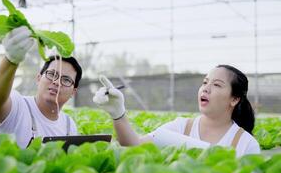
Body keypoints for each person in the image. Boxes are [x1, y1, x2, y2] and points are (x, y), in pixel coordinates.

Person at [93, 65, 260, 157]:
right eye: (205, 82)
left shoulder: (246, 144)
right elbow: (133, 144)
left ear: (234, 99)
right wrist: (118, 114)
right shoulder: (181, 126)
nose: (206, 89)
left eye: (216, 85)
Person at [0, 26, 82, 148]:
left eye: (66, 80)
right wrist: (11, 60)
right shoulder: (18, 107)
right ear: (39, 78)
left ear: (73, 92)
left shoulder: (69, 125)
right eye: (52, 74)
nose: (57, 82)